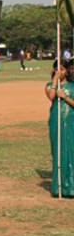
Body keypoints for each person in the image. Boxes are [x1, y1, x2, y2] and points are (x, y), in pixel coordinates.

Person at [46, 60, 74, 198]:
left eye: (62, 69)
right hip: (56, 123)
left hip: (71, 122)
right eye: (57, 69)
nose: (60, 72)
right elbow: (51, 96)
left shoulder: (73, 86)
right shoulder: (50, 86)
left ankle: (71, 187)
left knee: (71, 152)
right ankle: (59, 187)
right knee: (58, 152)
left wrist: (66, 97)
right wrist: (55, 80)